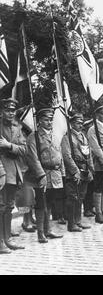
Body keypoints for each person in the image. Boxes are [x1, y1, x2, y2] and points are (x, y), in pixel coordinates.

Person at [25, 107, 64, 243]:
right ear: (40, 121)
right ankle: (41, 233)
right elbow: (32, 158)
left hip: (54, 174)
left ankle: (48, 230)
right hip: (41, 175)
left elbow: (59, 154)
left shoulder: (54, 135)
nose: (49, 122)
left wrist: (62, 172)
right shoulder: (33, 137)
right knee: (41, 204)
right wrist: (41, 175)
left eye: (50, 120)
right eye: (46, 119)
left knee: (50, 202)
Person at [0, 98, 27, 252]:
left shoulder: (18, 127)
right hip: (2, 171)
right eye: (7, 110)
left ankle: (7, 238)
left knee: (9, 206)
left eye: (12, 110)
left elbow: (24, 150)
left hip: (14, 172)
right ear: (2, 111)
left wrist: (8, 145)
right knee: (1, 206)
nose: (10, 113)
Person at [61, 113, 93, 232]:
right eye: (77, 123)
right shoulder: (67, 138)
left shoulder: (83, 137)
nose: (80, 125)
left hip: (84, 168)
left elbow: (88, 154)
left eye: (81, 123)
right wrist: (75, 171)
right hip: (73, 170)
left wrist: (90, 169)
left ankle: (78, 220)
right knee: (72, 197)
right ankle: (71, 223)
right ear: (71, 123)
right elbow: (67, 156)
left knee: (81, 196)